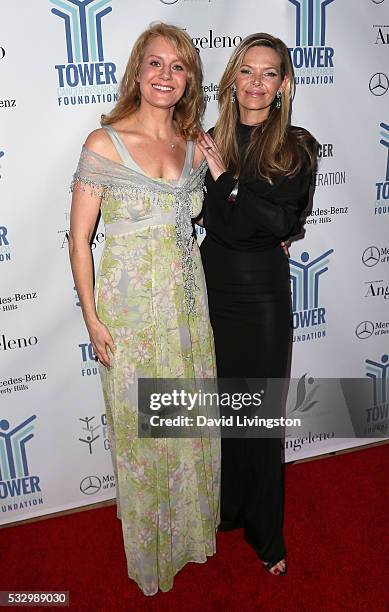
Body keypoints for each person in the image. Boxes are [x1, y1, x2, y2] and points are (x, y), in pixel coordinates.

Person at [68, 23, 220, 596]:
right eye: (155, 63)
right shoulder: (104, 143)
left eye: (178, 67)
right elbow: (79, 239)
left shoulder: (192, 145)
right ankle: (153, 554)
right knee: (141, 437)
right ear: (138, 70)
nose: (165, 76)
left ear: (189, 80)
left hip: (187, 311)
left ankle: (189, 535)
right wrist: (91, 318)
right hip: (130, 319)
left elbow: (209, 218)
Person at [197, 33, 317, 576]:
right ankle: (230, 510)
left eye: (268, 73)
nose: (256, 83)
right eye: (246, 71)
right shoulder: (207, 142)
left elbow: (281, 223)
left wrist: (228, 182)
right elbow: (220, 224)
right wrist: (243, 204)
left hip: (263, 296)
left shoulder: (297, 146)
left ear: (283, 83)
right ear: (232, 81)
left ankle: (267, 533)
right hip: (212, 287)